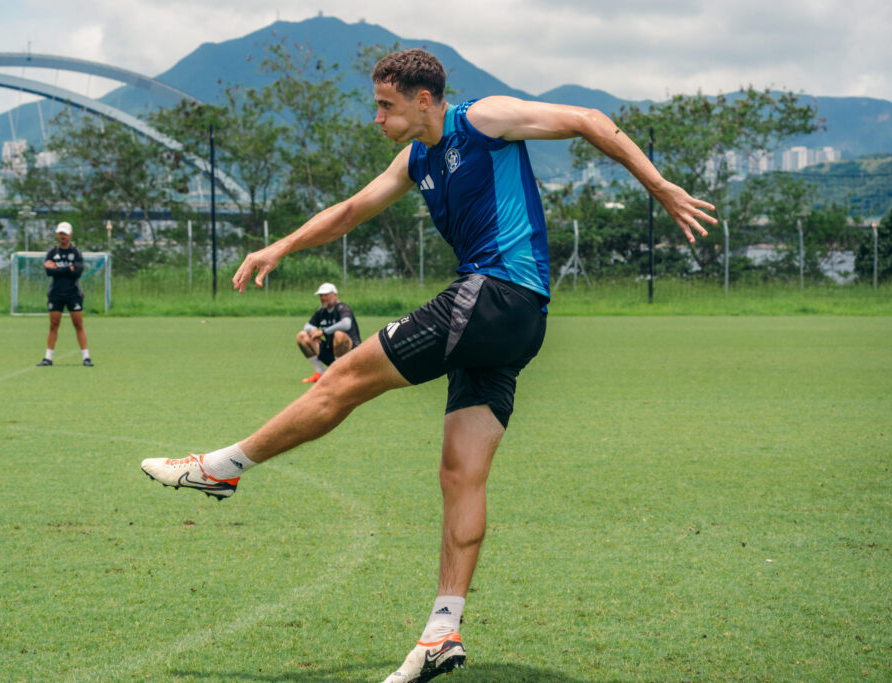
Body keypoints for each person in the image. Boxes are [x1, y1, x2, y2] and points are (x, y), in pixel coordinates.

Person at [141, 48, 716, 682]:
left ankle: (221, 469)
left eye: (385, 105)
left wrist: (660, 187)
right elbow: (351, 211)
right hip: (516, 326)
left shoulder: (483, 119)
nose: (377, 118)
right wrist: (280, 246)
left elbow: (586, 119)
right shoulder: (416, 158)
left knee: (343, 380)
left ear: (423, 100)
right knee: (459, 475)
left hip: (495, 295)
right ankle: (442, 632)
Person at [37, 222, 93, 367]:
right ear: (57, 234)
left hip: (73, 294)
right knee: (53, 325)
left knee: (78, 324)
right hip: (56, 294)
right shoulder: (52, 252)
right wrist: (68, 269)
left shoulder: (76, 253)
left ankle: (86, 357)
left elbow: (77, 272)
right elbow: (49, 271)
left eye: (65, 234)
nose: (63, 236)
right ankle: (48, 358)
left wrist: (58, 268)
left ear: (70, 235)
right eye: (61, 233)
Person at [296, 281, 361, 383]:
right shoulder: (321, 310)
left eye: (326, 295)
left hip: (351, 354)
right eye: (321, 295)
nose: (323, 298)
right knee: (302, 336)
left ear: (335, 295)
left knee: (339, 335)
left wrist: (323, 332)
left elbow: (346, 324)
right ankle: (320, 373)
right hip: (331, 352)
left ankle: (339, 374)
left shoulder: (342, 308)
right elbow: (307, 326)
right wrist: (314, 331)